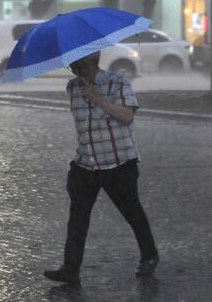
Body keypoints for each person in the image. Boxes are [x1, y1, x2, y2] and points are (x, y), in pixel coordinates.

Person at [43, 52, 158, 284]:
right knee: (77, 218)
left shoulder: (117, 81)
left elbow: (127, 116)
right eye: (70, 62)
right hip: (85, 164)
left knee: (132, 212)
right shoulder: (72, 88)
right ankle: (70, 268)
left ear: (93, 59)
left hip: (118, 162)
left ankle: (149, 255)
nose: (72, 66)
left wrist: (97, 98)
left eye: (78, 60)